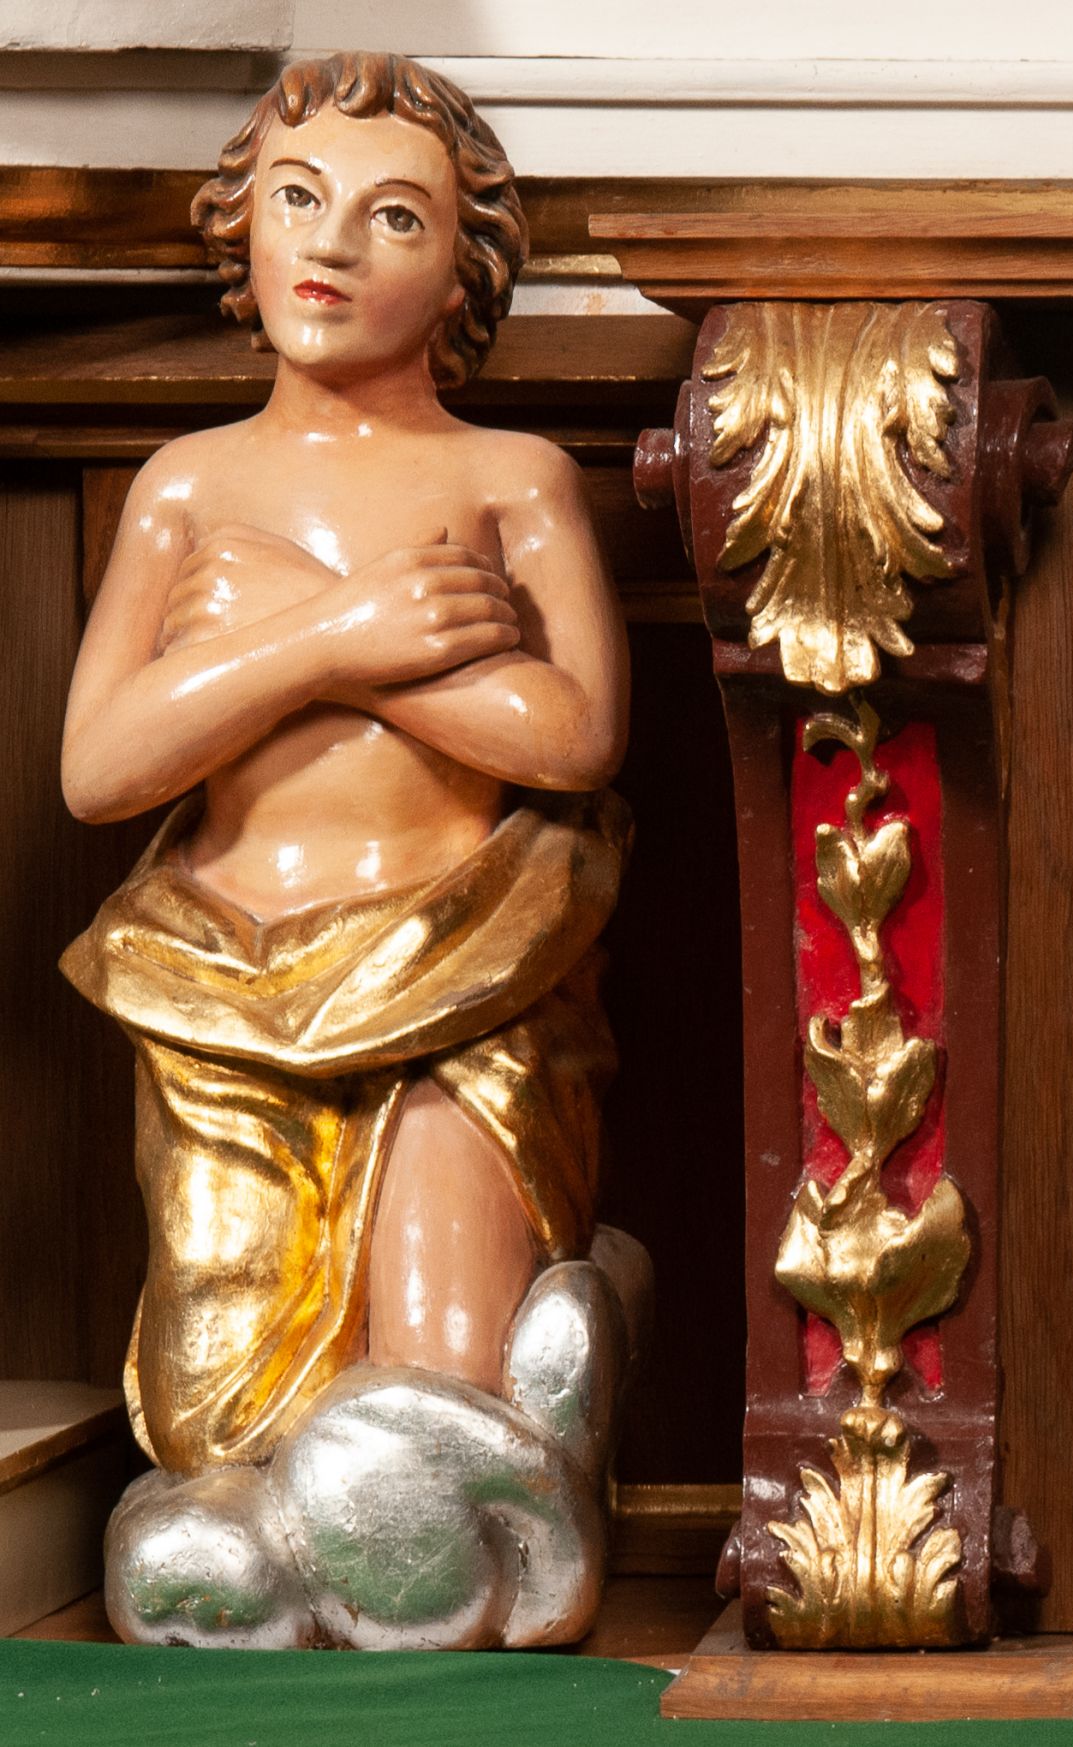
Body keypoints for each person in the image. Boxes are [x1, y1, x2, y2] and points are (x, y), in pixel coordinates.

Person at [59, 51, 634, 1649]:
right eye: (298, 199)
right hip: (222, 992)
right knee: (216, 1420)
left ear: (464, 272)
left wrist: (359, 639)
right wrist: (326, 638)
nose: (331, 242)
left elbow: (577, 737)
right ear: (239, 230)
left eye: (395, 218)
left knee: (426, 1364)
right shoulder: (186, 487)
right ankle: (419, 1507)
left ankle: (509, 1450)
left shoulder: (508, 479)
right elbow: (99, 769)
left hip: (456, 981)